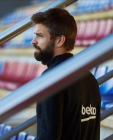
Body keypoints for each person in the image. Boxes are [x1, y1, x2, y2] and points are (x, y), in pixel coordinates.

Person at [31, 8, 101, 140]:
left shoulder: (51, 79)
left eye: (39, 35)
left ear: (59, 40)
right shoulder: (91, 80)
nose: (33, 41)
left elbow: (49, 137)